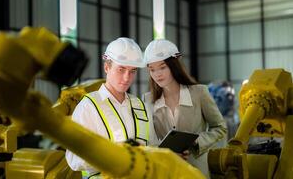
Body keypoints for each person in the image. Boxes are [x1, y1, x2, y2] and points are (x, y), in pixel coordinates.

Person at [66, 37, 159, 179]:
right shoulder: (88, 107)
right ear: (107, 67)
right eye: (121, 69)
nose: (127, 77)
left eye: (132, 71)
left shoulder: (140, 106)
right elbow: (74, 159)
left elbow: (152, 147)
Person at [143, 39, 227, 178]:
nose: (157, 74)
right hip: (166, 171)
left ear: (174, 65)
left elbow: (220, 128)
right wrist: (165, 153)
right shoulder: (148, 100)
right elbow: (149, 140)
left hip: (196, 171)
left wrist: (196, 142)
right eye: (152, 69)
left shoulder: (199, 93)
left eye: (162, 67)